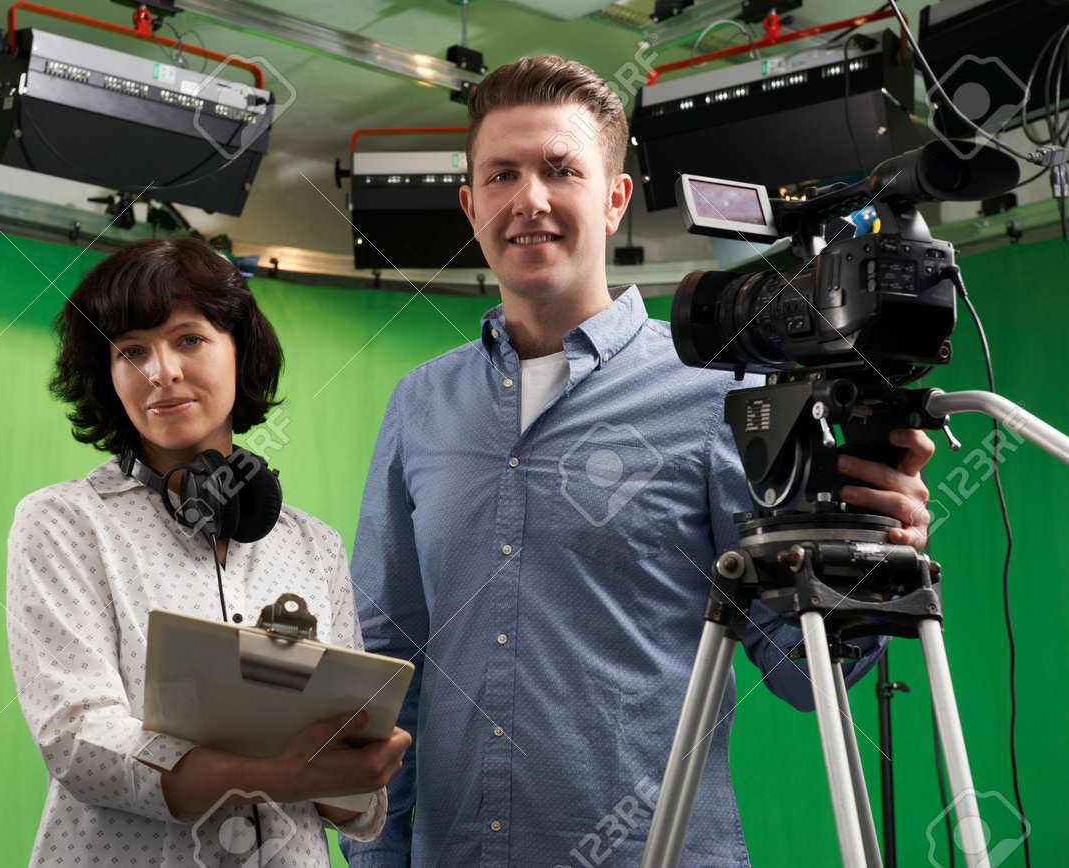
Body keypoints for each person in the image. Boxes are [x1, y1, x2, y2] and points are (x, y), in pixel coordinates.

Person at [340, 56, 935, 867]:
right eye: (502, 175)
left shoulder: (723, 390)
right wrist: (378, 859)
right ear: (470, 204)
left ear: (616, 199)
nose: (531, 200)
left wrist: (869, 556)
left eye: (561, 170)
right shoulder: (419, 405)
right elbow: (386, 658)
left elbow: (801, 674)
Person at [5, 239, 411, 867]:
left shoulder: (313, 544)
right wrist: (282, 774)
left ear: (239, 350)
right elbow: (78, 739)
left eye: (188, 339)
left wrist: (357, 769)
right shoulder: (64, 523)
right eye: (131, 351)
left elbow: (347, 796)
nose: (159, 371)